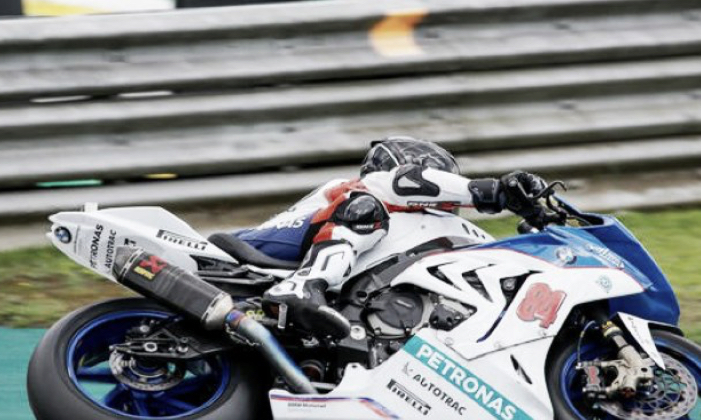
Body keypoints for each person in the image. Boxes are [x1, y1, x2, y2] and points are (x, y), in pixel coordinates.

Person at [234, 136, 548, 339]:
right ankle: (302, 287)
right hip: (253, 250)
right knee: (365, 208)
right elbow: (406, 183)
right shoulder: (372, 186)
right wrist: (493, 191)